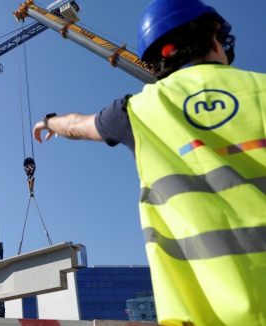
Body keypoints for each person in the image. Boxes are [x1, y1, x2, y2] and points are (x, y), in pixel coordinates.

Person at [33, 0, 266, 325]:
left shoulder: (138, 111)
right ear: (215, 40)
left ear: (157, 62)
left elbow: (76, 125)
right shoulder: (261, 91)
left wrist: (47, 122)